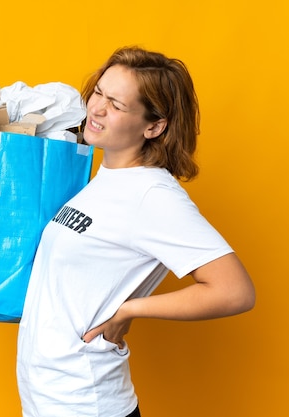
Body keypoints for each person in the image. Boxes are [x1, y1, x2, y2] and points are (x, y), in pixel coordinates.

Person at [16, 46, 256, 417]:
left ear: (154, 127)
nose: (96, 108)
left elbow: (234, 291)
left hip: (86, 402)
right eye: (98, 91)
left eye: (116, 104)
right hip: (50, 397)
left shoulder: (152, 196)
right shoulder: (102, 179)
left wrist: (127, 309)